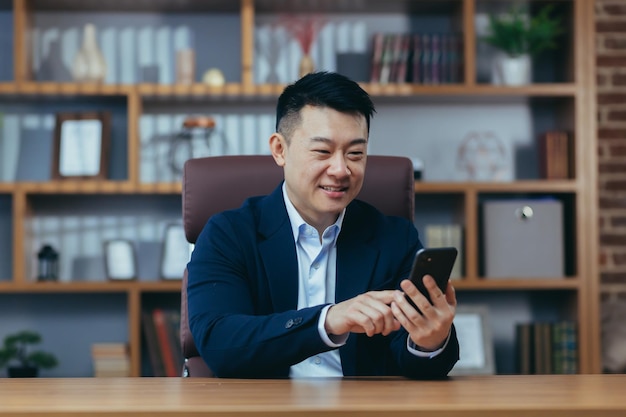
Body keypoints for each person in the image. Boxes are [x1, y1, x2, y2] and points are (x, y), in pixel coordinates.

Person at [187, 71, 459, 379]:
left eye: (355, 153)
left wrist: (428, 341)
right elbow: (220, 341)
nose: (341, 169)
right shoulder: (229, 234)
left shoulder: (394, 238)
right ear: (280, 150)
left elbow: (407, 359)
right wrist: (328, 321)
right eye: (323, 152)